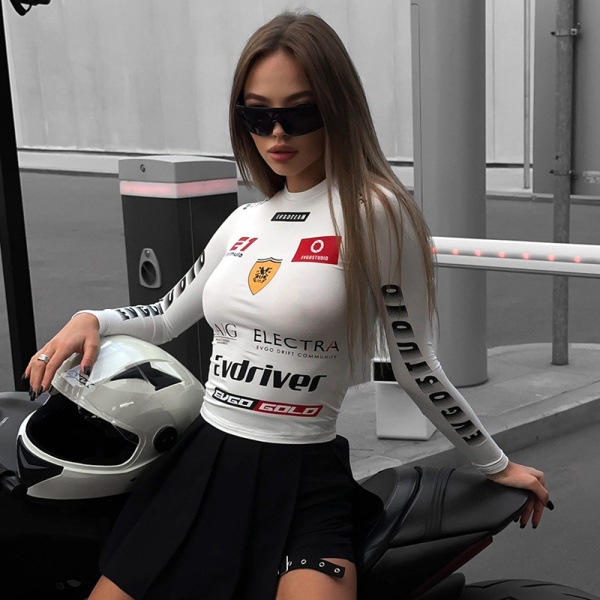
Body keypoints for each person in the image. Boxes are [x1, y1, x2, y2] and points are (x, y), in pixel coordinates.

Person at [25, 11, 551, 600]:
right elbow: (167, 315)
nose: (277, 133)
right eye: (257, 115)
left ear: (339, 109)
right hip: (206, 461)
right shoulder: (245, 220)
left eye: (299, 113)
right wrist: (93, 319)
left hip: (304, 477)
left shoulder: (376, 214)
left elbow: (413, 362)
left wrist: (495, 463)